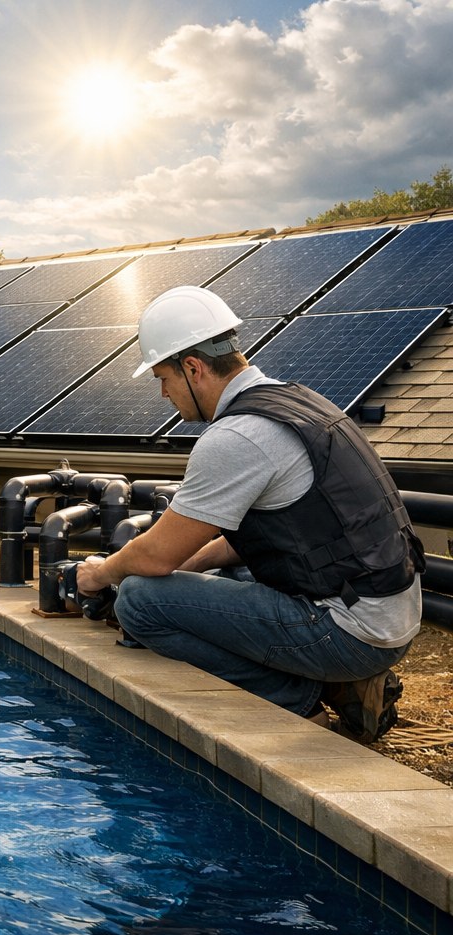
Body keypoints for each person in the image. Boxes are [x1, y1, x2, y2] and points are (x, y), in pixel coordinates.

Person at [75, 285, 423, 743]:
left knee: (140, 600)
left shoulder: (238, 437)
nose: (163, 393)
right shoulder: (298, 401)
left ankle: (298, 700)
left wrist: (100, 575)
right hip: (385, 610)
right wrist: (190, 566)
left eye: (164, 378)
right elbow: (275, 535)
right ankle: (343, 683)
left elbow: (155, 557)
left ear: (194, 367)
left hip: (351, 631)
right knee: (219, 579)